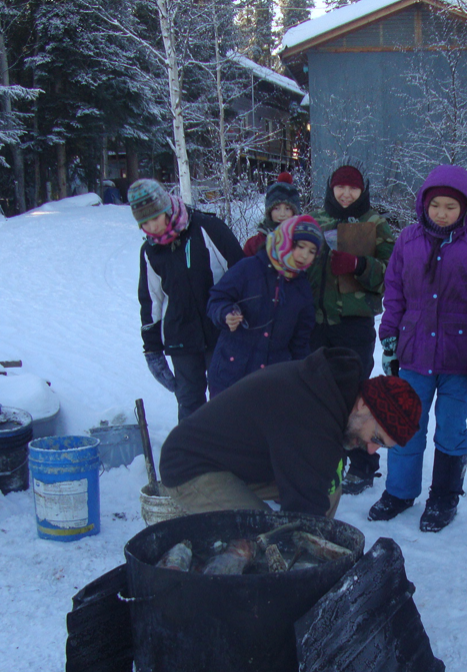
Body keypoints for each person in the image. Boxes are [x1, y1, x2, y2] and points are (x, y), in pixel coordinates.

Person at [370, 164, 467, 531]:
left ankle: (444, 497)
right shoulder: (407, 241)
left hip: (459, 358)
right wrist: (390, 338)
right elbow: (394, 293)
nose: (442, 213)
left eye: (450, 206)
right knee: (406, 422)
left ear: (465, 208)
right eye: (435, 206)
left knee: (450, 427)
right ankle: (399, 491)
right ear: (423, 205)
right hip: (413, 352)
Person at [159, 347, 422, 517]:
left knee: (329, 486)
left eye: (382, 447)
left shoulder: (334, 396)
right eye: (377, 438)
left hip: (237, 462)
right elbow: (303, 512)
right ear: (365, 404)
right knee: (260, 536)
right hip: (190, 465)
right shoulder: (310, 415)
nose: (372, 449)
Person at [307, 164, 397, 495]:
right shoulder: (315, 221)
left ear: (363, 191)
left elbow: (391, 274)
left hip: (354, 325)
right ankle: (323, 459)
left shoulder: (375, 224)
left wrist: (359, 265)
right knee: (317, 395)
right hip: (316, 324)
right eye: (340, 187)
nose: (346, 194)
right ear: (331, 188)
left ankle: (362, 465)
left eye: (353, 188)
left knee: (356, 396)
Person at [132, 178, 244, 423]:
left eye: (155, 217)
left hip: (221, 332)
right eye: (144, 222)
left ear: (166, 209)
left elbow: (241, 273)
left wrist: (242, 314)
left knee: (226, 402)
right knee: (190, 406)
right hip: (180, 339)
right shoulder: (150, 252)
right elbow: (151, 303)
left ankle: (231, 457)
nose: (152, 227)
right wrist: (152, 350)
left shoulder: (206, 227)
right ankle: (194, 459)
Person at [206, 215, 321, 396]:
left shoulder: (303, 289)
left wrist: (301, 377)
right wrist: (225, 313)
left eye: (312, 251)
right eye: (300, 246)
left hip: (271, 383)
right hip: (230, 375)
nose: (305, 255)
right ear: (285, 241)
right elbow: (217, 298)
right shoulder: (249, 268)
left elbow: (300, 341)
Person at [242, 172, 302, 257]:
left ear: (294, 212)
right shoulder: (254, 244)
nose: (282, 214)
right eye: (276, 208)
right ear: (269, 211)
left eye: (287, 209)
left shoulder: (302, 243)